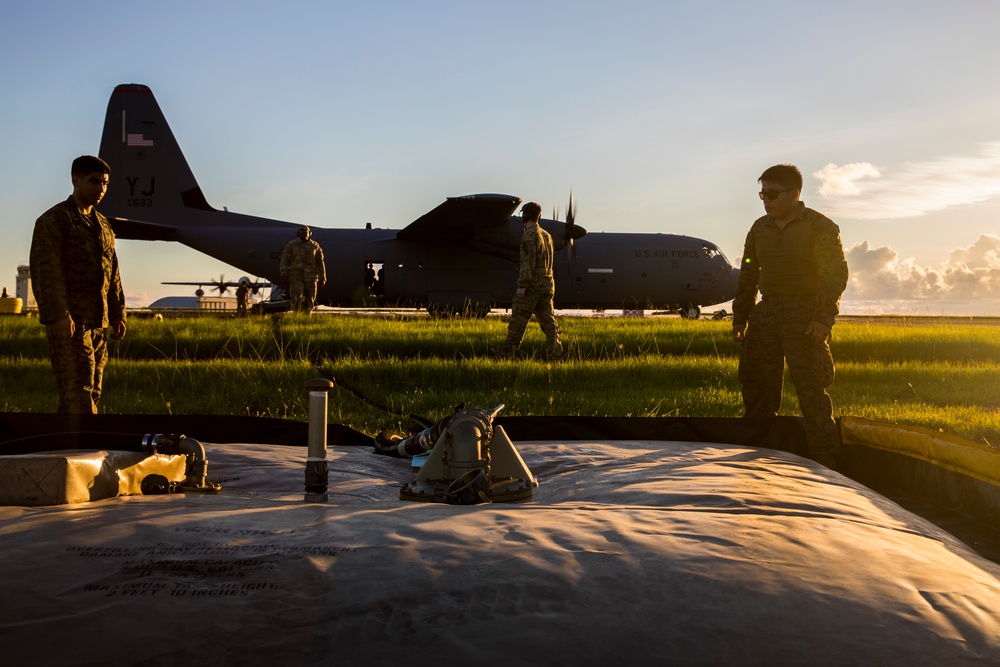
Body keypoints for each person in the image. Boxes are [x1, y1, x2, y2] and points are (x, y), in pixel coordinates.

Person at [732, 164, 849, 469]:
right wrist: (741, 318)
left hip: (805, 316)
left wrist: (823, 319)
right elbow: (748, 273)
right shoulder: (759, 228)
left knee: (811, 392)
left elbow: (835, 275)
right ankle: (758, 456)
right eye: (762, 194)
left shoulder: (820, 227)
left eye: (772, 194)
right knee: (757, 388)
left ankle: (827, 462)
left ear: (794, 194)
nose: (766, 200)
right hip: (766, 314)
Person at [29, 155, 127, 414]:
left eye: (105, 184)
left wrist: (118, 314)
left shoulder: (103, 224)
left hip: (98, 323)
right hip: (70, 323)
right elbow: (45, 272)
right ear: (76, 180)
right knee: (78, 393)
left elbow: (112, 273)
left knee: (93, 390)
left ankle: (66, 448)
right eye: (94, 182)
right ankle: (85, 448)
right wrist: (58, 315)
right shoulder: (54, 221)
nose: (101, 189)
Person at [501, 202, 564, 360]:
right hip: (547, 286)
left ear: (525, 216)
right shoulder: (547, 236)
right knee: (549, 324)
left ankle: (506, 356)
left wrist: (522, 286)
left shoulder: (529, 235)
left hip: (531, 287)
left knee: (518, 324)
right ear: (539, 216)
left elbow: (528, 263)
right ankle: (555, 355)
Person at [280, 225, 326, 311]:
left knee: (310, 299)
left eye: (306, 231)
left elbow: (320, 262)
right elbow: (284, 260)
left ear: (310, 233)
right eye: (302, 231)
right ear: (298, 233)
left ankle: (307, 318)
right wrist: (284, 274)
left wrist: (323, 277)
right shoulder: (292, 245)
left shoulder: (315, 246)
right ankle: (296, 318)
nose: (304, 233)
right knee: (297, 298)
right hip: (296, 277)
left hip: (311, 277)